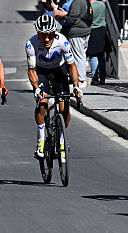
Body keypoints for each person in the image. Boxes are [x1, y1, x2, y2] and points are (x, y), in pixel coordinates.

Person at [27, 14, 81, 158]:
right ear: (38, 34)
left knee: (65, 106)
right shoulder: (31, 43)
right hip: (41, 71)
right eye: (42, 35)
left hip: (59, 70)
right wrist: (37, 88)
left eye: (49, 35)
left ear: (54, 33)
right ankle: (41, 139)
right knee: (42, 102)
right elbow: (31, 71)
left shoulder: (63, 41)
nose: (46, 39)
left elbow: (71, 65)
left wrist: (76, 86)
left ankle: (62, 137)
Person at [52, 0, 92, 87]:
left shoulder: (77, 1)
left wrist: (64, 14)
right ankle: (80, 78)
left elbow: (72, 18)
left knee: (78, 56)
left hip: (77, 32)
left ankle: (80, 80)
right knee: (81, 55)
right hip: (85, 31)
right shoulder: (86, 0)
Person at [86, 0, 108, 85]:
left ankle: (95, 77)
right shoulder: (102, 4)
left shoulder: (89, 7)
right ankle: (102, 78)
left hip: (93, 30)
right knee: (101, 55)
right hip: (102, 30)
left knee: (93, 55)